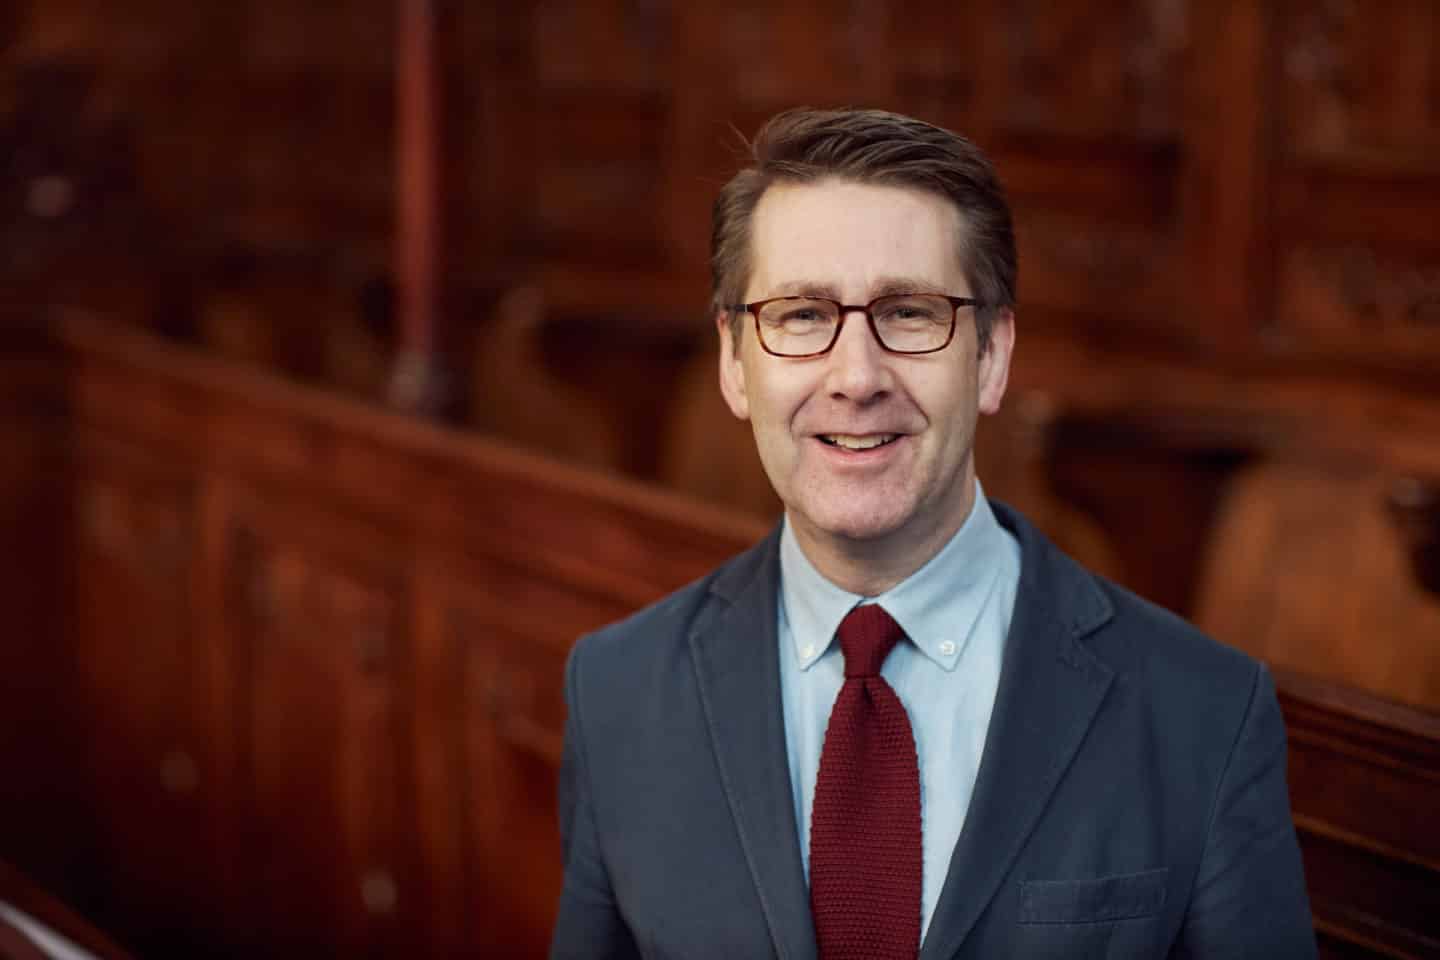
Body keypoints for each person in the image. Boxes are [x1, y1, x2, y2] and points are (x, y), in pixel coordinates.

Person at [550, 107, 1315, 959]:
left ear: (989, 356)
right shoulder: (616, 693)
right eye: (802, 316)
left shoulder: (1202, 714)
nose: (856, 377)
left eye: (910, 314)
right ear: (736, 361)